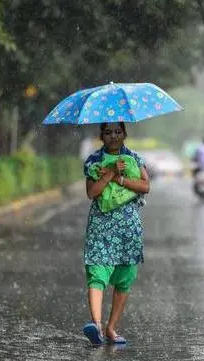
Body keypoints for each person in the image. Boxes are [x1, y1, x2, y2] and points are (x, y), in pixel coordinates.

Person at [81, 122, 151, 346]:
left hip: (127, 227)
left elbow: (145, 186)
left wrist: (121, 178)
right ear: (101, 135)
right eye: (108, 132)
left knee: (124, 277)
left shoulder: (134, 158)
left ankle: (111, 328)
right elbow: (92, 193)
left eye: (118, 132)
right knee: (97, 270)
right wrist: (108, 174)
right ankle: (97, 326)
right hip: (101, 225)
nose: (113, 136)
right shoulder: (93, 161)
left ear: (125, 134)